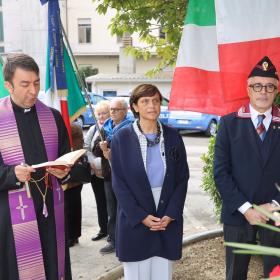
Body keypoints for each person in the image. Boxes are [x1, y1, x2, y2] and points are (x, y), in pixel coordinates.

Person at [0, 53, 90, 280]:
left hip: (51, 213)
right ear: (8, 85)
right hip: (11, 219)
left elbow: (70, 161)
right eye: (25, 84)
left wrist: (66, 171)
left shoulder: (53, 117)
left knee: (53, 267)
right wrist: (13, 174)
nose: (33, 91)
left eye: (36, 83)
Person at [110, 84, 189, 280]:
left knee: (162, 272)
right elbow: (119, 183)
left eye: (156, 100)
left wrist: (172, 213)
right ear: (135, 107)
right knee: (137, 272)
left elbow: (182, 178)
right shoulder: (122, 137)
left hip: (166, 214)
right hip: (134, 215)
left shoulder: (173, 136)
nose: (152, 105)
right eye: (145, 101)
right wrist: (140, 216)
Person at [214, 56, 280, 280]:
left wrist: (273, 205)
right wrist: (247, 209)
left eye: (270, 86)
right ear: (248, 88)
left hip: (276, 214)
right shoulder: (229, 123)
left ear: (276, 90)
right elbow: (221, 173)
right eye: (257, 85)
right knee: (236, 274)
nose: (264, 91)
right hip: (238, 214)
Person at [93, 98, 131, 254]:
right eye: (112, 110)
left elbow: (131, 151)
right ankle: (113, 240)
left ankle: (127, 240)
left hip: (126, 176)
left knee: (127, 208)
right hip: (109, 176)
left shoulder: (131, 128)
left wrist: (110, 149)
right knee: (112, 209)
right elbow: (94, 149)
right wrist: (102, 147)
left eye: (117, 110)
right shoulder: (106, 128)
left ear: (125, 111)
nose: (113, 113)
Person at [84, 100, 110, 241]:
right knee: (100, 202)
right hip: (95, 172)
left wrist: (101, 164)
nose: (101, 117)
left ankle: (113, 232)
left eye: (104, 113)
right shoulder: (93, 128)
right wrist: (93, 163)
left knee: (111, 203)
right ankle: (103, 229)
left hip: (109, 173)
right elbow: (86, 146)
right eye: (98, 114)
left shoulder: (112, 128)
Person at [65, 123, 87, 247]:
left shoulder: (73, 128)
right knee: (67, 207)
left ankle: (73, 236)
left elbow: (77, 149)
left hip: (73, 175)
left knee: (73, 207)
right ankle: (71, 235)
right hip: (63, 173)